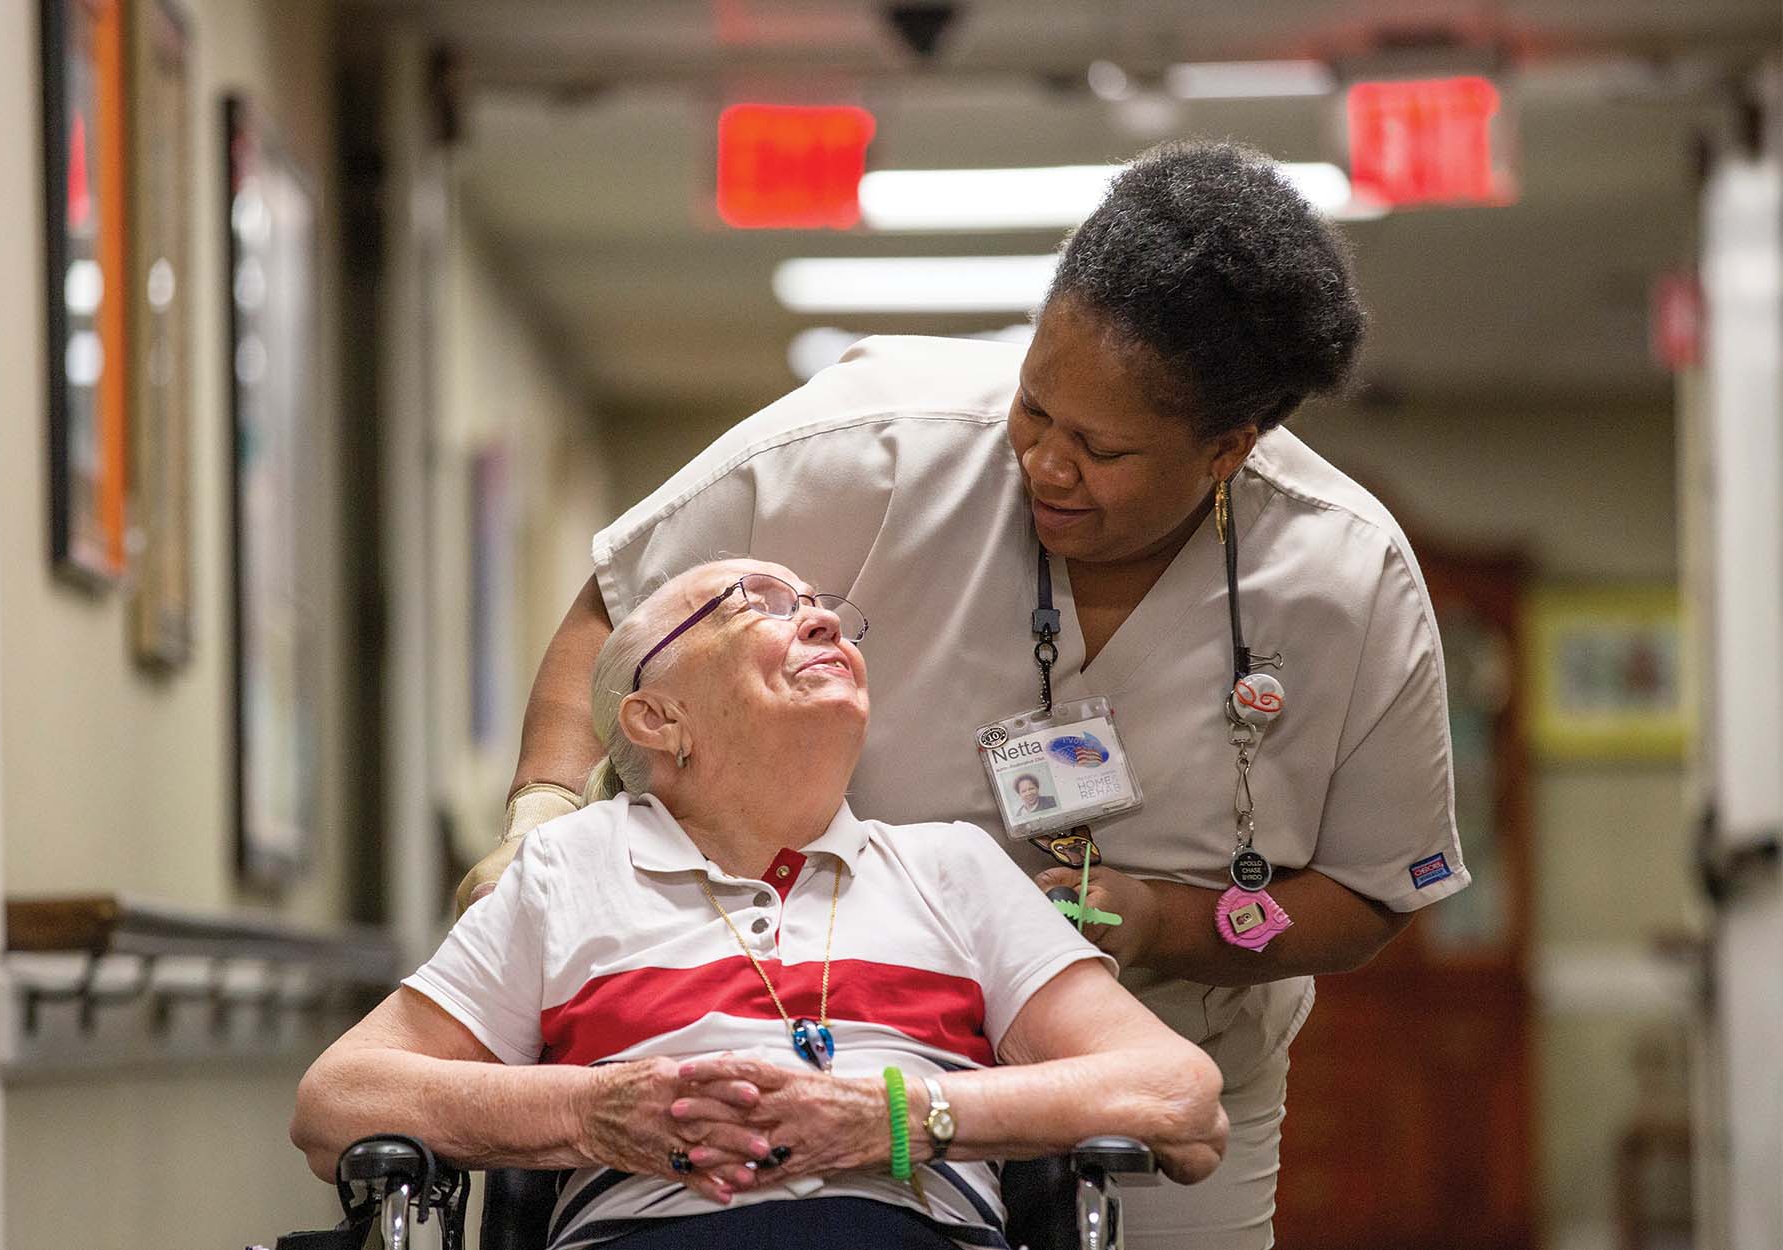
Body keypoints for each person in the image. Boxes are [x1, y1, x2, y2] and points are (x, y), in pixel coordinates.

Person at [464, 140, 1470, 1249]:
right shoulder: (871, 447)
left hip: (1132, 1083)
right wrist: (542, 818)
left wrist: (1174, 924)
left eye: (1099, 447)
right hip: (831, 1060)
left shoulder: (1346, 579)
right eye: (1036, 408)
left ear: (1228, 447)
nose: (1043, 461)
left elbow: (1371, 890)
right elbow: (618, 606)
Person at [293, 560, 1229, 1250]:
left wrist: (899, 1117)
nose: (821, 621)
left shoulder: (953, 868)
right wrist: (594, 1114)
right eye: (760, 606)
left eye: (825, 608)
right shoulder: (565, 871)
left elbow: (1176, 1097)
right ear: (658, 718)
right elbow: (338, 1101)